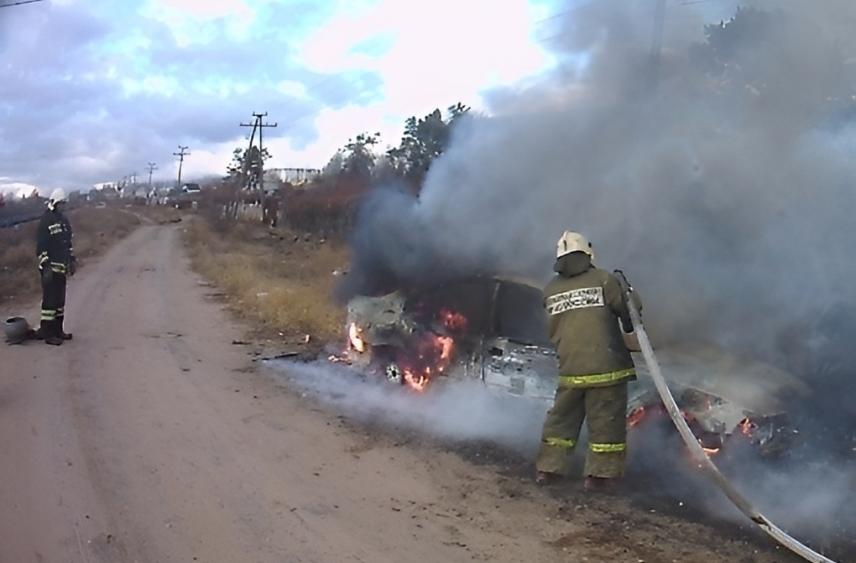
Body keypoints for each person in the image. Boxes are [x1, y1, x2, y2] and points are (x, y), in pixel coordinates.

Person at [536, 231, 638, 490]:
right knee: (606, 422)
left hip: (570, 367)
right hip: (606, 368)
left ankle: (549, 470)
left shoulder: (550, 289)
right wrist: (629, 293)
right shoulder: (604, 280)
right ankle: (599, 477)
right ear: (588, 253)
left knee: (561, 420)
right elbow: (629, 311)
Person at [36, 189, 76, 346]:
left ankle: (58, 330)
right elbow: (41, 247)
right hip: (50, 270)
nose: (62, 206)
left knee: (60, 303)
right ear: (53, 203)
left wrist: (71, 260)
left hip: (61, 269)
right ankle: (47, 333)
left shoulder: (64, 221)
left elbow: (68, 243)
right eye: (60, 204)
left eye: (63, 204)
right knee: (50, 303)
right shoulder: (46, 220)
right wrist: (45, 266)